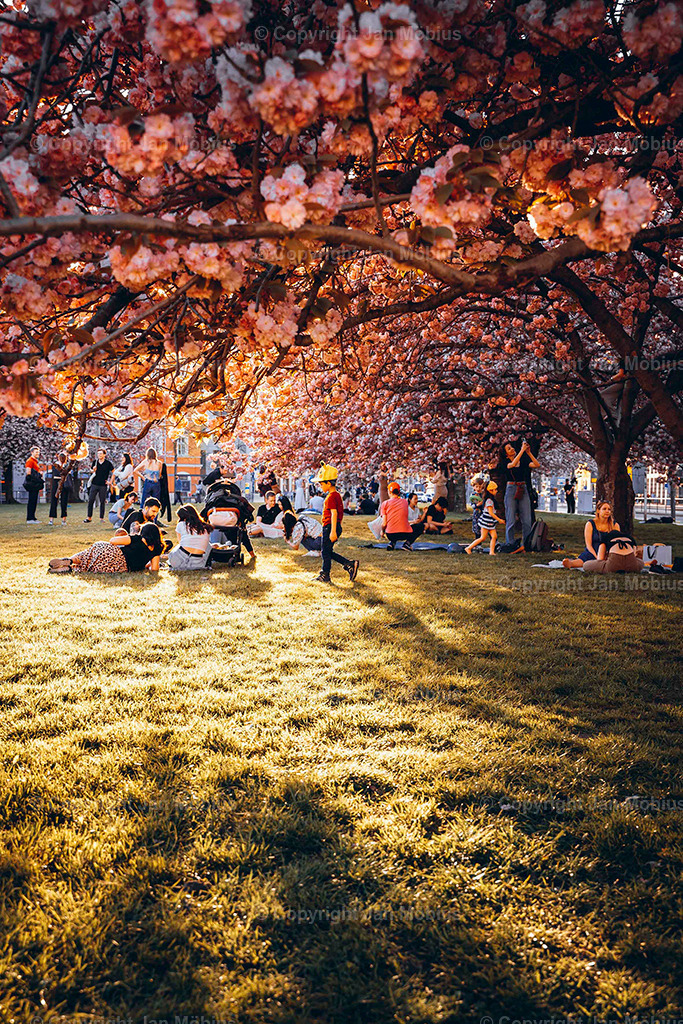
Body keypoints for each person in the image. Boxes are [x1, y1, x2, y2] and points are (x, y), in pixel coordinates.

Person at [48, 522, 163, 574]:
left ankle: (70, 560)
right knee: (93, 568)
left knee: (87, 555)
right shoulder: (156, 549)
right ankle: (71, 569)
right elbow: (154, 569)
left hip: (114, 553)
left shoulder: (136, 539)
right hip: (122, 567)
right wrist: (144, 565)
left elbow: (113, 541)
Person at [313, 463, 359, 584]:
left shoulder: (330, 497)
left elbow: (334, 514)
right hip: (333, 527)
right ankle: (349, 564)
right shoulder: (337, 495)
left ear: (328, 483)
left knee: (325, 552)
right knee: (327, 552)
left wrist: (332, 531)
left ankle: (325, 575)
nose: (320, 486)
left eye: (321, 483)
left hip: (330, 527)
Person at [500, 440, 540, 547]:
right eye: (509, 448)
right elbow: (512, 465)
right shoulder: (504, 462)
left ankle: (526, 543)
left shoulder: (522, 459)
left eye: (512, 447)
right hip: (511, 488)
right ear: (505, 453)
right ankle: (510, 543)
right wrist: (522, 451)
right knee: (511, 518)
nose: (512, 449)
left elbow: (536, 464)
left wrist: (528, 453)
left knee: (527, 519)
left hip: (523, 488)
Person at [562, 500, 620, 569]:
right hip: (592, 551)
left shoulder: (615, 525)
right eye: (604, 509)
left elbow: (617, 543)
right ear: (598, 511)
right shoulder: (590, 524)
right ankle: (570, 563)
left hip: (608, 552)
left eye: (609, 509)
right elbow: (588, 545)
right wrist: (596, 557)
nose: (607, 511)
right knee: (583, 560)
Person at [464, 481, 505, 555]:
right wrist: (499, 520)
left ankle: (491, 552)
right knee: (483, 538)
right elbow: (490, 513)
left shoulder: (491, 500)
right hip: (486, 522)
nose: (496, 491)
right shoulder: (489, 501)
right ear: (490, 491)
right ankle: (469, 548)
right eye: (495, 489)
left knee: (494, 536)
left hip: (489, 522)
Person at [168, 504, 212, 570]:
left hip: (179, 562)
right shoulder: (206, 528)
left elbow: (180, 542)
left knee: (177, 548)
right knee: (208, 545)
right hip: (198, 563)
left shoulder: (181, 524)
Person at [380, 483, 415, 550]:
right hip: (405, 534)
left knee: (393, 525)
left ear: (389, 492)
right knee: (421, 526)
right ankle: (407, 544)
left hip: (390, 534)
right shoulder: (405, 502)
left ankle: (392, 543)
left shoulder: (385, 503)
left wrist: (382, 531)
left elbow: (384, 523)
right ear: (399, 492)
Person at [84, 448, 114, 522]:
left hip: (103, 485)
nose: (99, 455)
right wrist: (93, 470)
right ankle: (89, 517)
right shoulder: (95, 462)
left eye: (101, 453)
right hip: (94, 484)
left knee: (102, 502)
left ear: (104, 455)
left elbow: (114, 472)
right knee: (90, 500)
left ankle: (101, 518)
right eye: (98, 454)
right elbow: (91, 471)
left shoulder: (108, 463)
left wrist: (110, 482)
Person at [48, 451, 75, 526]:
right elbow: (55, 475)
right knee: (54, 501)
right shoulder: (55, 465)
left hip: (64, 485)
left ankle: (63, 519)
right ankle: (51, 519)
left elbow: (67, 474)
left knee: (64, 501)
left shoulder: (67, 465)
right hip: (56, 484)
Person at [24, 445, 44, 523]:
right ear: (32, 452)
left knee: (34, 500)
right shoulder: (30, 461)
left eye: (38, 452)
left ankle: (33, 517)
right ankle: (30, 518)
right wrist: (39, 475)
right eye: (36, 452)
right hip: (32, 484)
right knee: (32, 500)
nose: (38, 453)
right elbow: (28, 473)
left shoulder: (35, 461)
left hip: (35, 483)